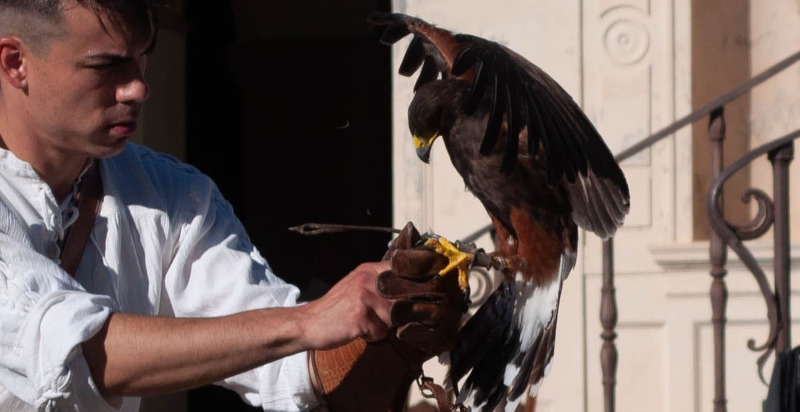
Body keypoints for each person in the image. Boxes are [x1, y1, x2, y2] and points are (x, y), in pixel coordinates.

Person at [0, 1, 463, 411]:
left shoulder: (171, 194)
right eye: (107, 66)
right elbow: (76, 349)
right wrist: (308, 321)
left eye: (141, 60)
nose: (138, 88)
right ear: (16, 62)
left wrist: (369, 327)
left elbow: (280, 362)